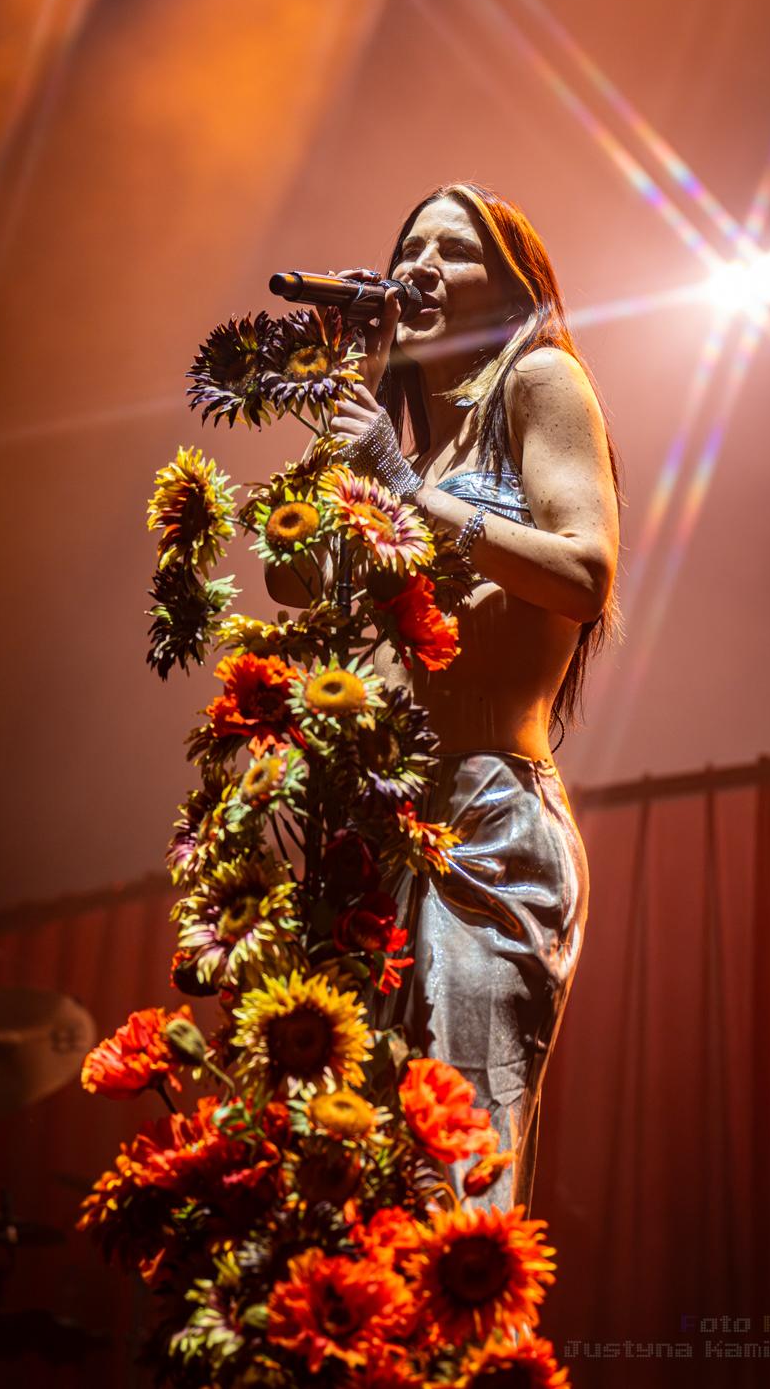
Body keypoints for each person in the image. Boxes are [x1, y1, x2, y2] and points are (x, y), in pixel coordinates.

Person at [267, 182, 622, 1211]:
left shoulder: (540, 380)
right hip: (381, 836)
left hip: (488, 826)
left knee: (448, 1172)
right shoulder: (414, 456)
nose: (417, 267)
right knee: (350, 1186)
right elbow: (291, 578)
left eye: (451, 250)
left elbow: (585, 572)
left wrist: (406, 488)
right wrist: (359, 394)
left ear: (509, 291)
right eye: (406, 249)